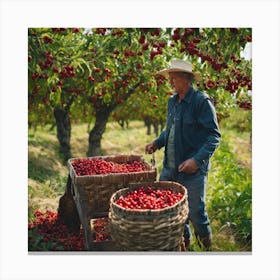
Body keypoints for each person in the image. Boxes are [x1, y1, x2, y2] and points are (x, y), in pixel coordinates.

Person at [145, 59, 221, 251]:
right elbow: (169, 131)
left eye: (174, 77)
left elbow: (214, 135)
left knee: (195, 211)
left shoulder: (201, 102)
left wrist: (196, 161)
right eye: (169, 77)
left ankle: (207, 250)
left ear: (186, 79)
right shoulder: (173, 102)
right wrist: (157, 142)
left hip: (192, 170)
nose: (170, 81)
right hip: (170, 167)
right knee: (173, 210)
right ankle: (184, 248)